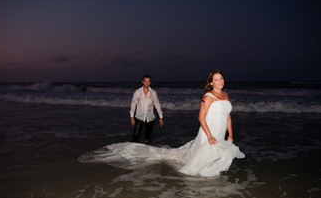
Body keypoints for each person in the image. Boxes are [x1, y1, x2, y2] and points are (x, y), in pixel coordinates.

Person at [81, 70, 245, 177]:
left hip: (221, 129)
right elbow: (201, 118)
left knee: (217, 152)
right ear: (211, 83)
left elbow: (228, 115)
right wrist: (209, 136)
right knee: (203, 157)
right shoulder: (208, 96)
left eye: (221, 78)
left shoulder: (226, 95)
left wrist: (230, 134)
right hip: (208, 130)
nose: (220, 81)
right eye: (217, 79)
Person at [130, 74, 163, 143]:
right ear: (142, 82)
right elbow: (133, 104)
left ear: (150, 82)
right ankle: (132, 152)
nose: (147, 83)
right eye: (145, 81)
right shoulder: (137, 92)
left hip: (150, 118)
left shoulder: (153, 93)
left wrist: (161, 117)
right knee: (135, 137)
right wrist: (132, 117)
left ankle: (147, 153)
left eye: (148, 81)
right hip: (139, 118)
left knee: (148, 139)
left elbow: (157, 104)